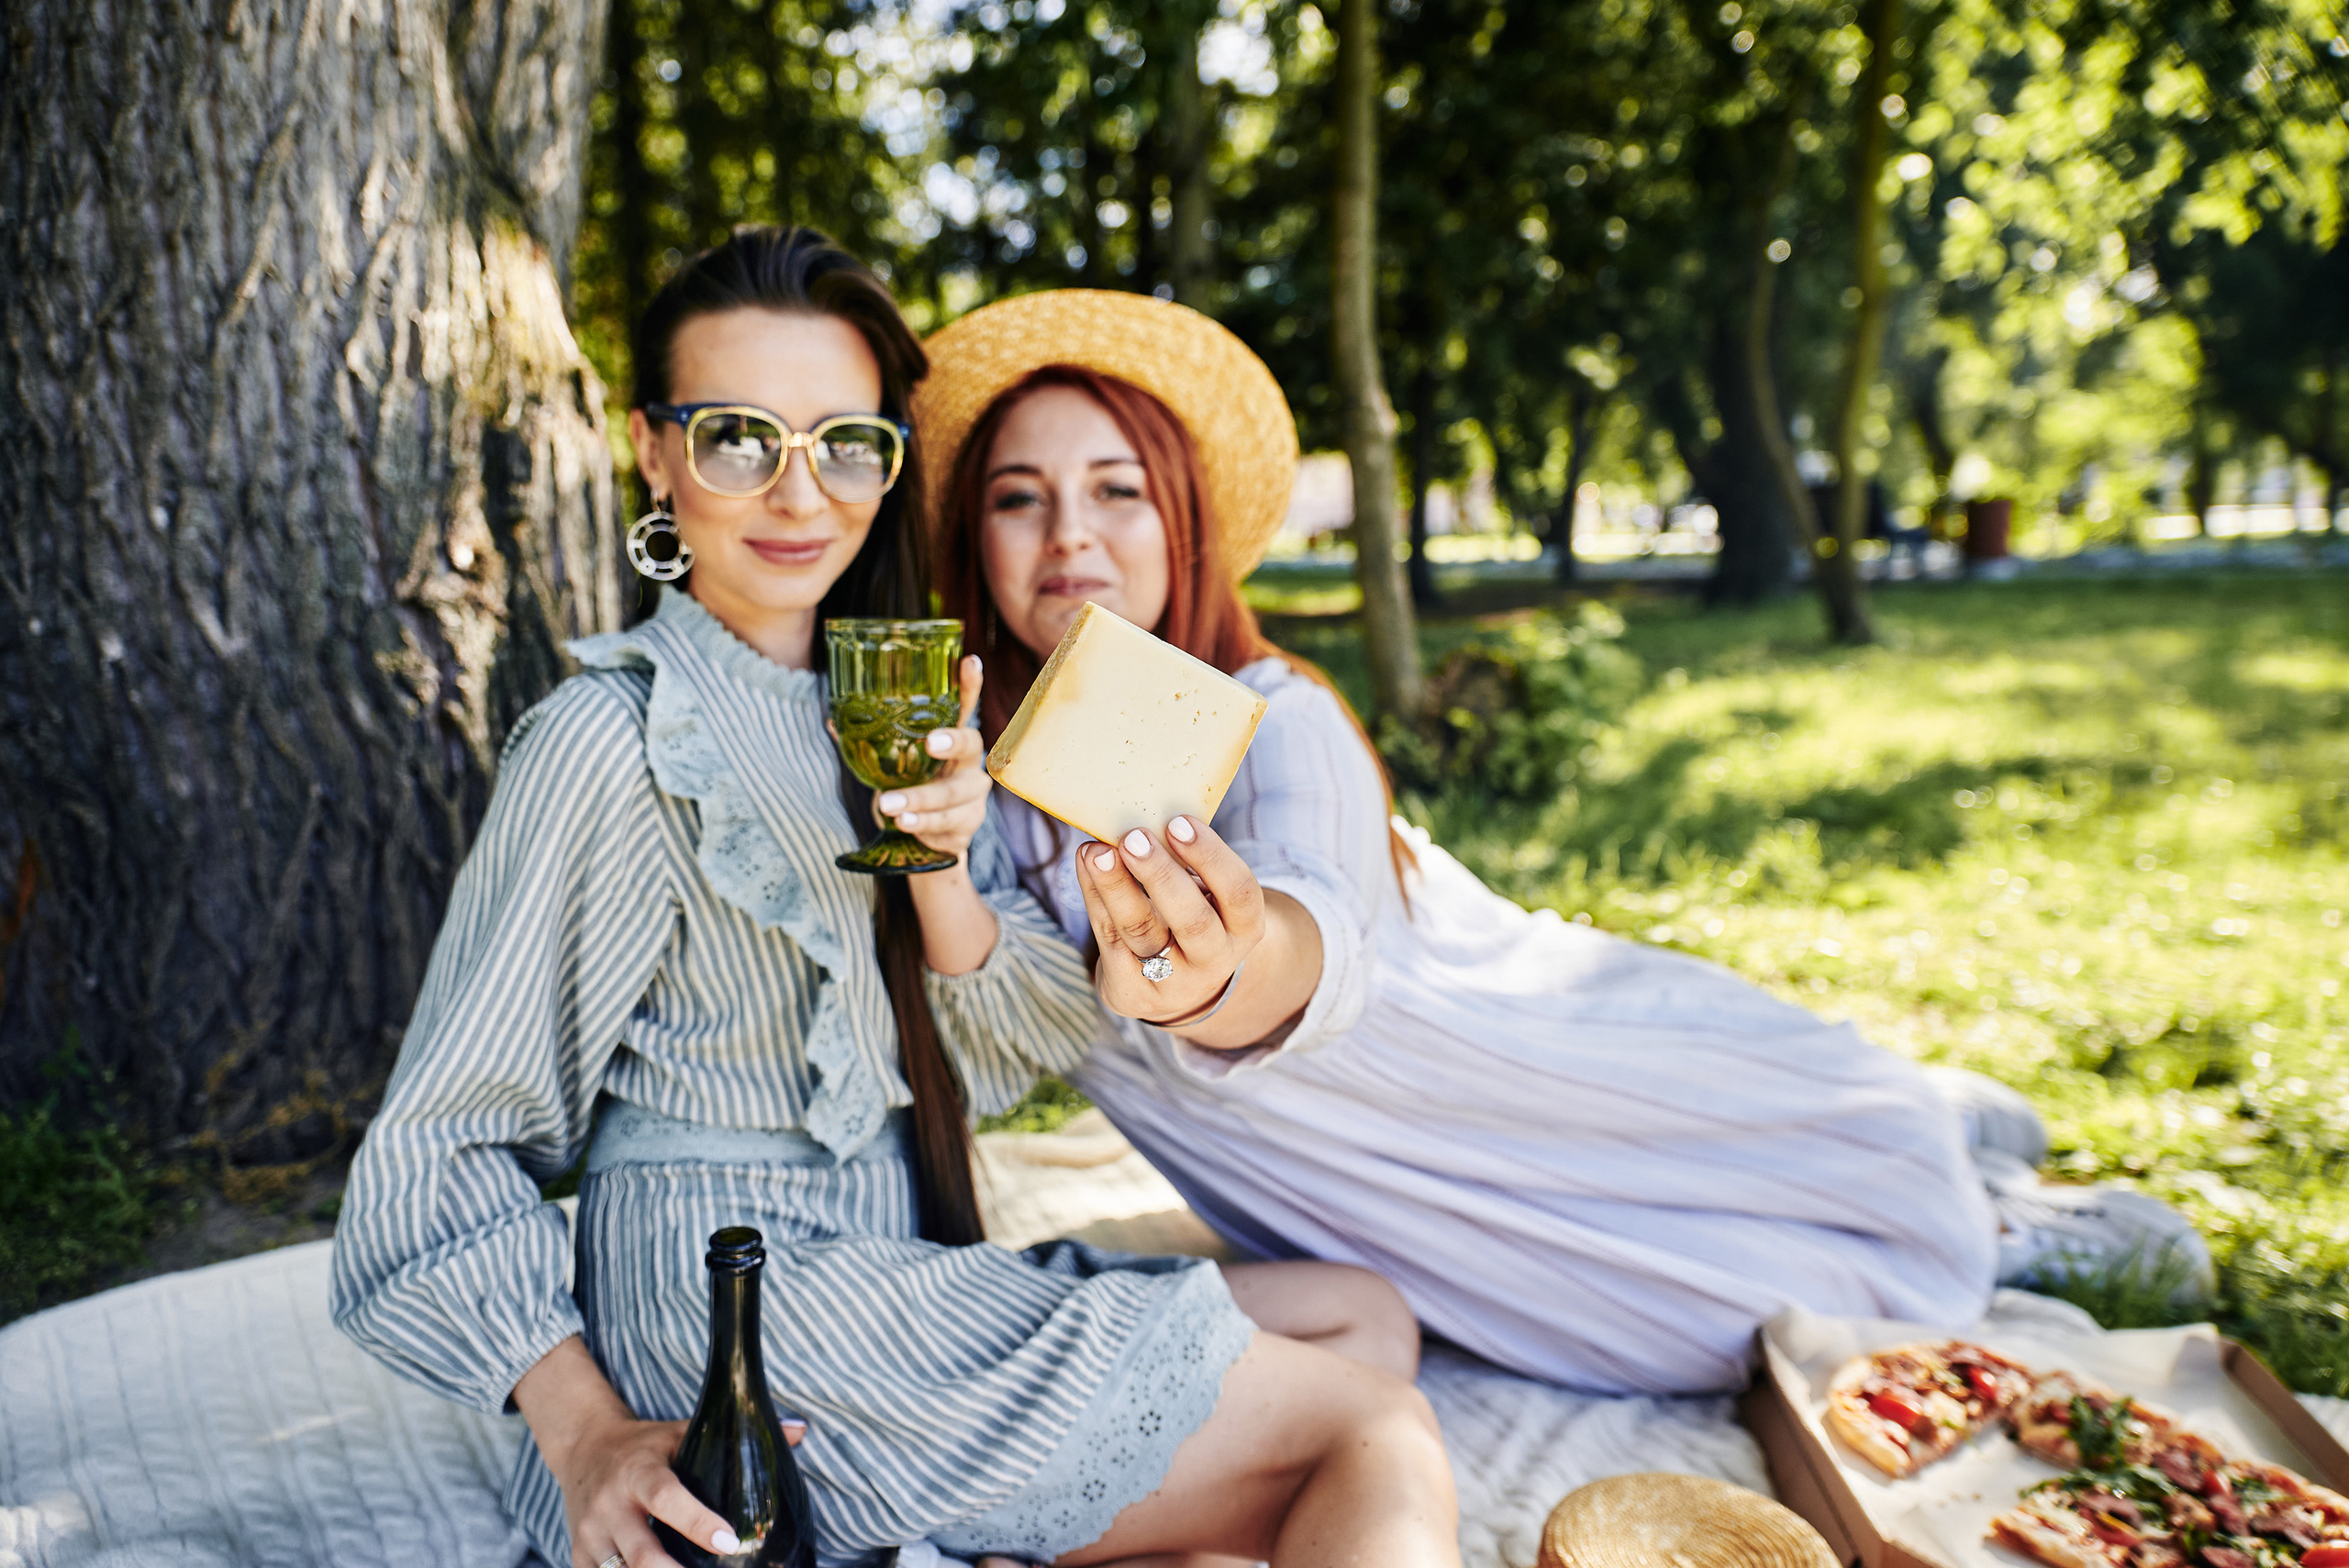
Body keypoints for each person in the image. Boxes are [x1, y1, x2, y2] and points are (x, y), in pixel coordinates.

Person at [330, 232, 1459, 1568]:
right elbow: (433, 1152)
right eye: (739, 437)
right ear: (653, 452)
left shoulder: (875, 710)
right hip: (732, 1302)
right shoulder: (611, 736)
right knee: (1367, 1429)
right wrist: (583, 1434)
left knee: (1358, 1313)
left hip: (878, 1256)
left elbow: (1016, 1038)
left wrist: (937, 864)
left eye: (847, 441)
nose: (800, 490)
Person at [910, 289, 2212, 1399]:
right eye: (1020, 498)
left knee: (1800, 1138)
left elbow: (1314, 925)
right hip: (1330, 1182)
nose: (1069, 531)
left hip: (1481, 1063)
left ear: (1181, 520)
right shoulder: (984, 778)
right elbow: (974, 993)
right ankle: (1934, 1132)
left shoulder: (1276, 721)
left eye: (1116, 489)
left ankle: (1976, 1188)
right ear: (977, 536)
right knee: (1699, 1335)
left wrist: (1223, 966)